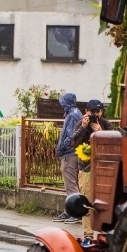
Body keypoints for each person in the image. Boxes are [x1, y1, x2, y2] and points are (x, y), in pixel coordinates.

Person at [71, 99, 113, 247]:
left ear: (101, 112)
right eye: (92, 112)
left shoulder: (107, 125)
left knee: (106, 202)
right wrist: (83, 127)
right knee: (87, 202)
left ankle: (106, 233)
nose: (95, 114)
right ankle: (88, 235)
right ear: (86, 112)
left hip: (104, 169)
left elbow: (114, 145)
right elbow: (73, 143)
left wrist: (101, 133)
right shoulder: (81, 123)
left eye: (97, 111)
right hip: (86, 168)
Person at [54, 93, 83, 223]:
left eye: (63, 103)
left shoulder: (72, 115)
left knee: (70, 185)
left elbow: (70, 136)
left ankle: (76, 213)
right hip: (72, 153)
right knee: (71, 183)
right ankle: (69, 211)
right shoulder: (75, 112)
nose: (62, 106)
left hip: (69, 154)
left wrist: (63, 145)